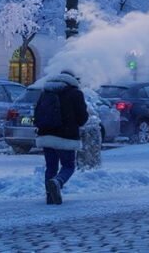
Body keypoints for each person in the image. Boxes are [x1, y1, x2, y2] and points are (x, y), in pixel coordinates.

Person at [34, 70, 88, 205]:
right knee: (68, 166)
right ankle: (58, 182)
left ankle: (49, 196)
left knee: (51, 167)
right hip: (66, 137)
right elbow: (82, 119)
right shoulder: (75, 93)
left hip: (46, 135)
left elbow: (36, 113)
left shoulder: (46, 91)